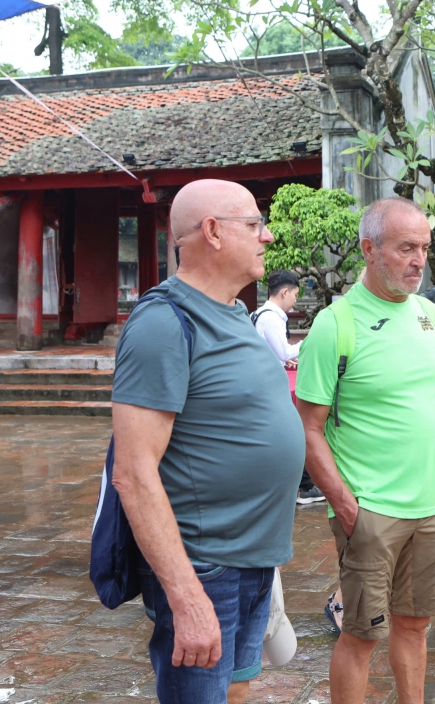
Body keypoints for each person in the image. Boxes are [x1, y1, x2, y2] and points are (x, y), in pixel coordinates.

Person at [111, 179, 305, 704]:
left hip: (253, 556)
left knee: (237, 685)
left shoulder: (234, 312)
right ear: (213, 232)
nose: (266, 237)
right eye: (254, 224)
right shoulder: (164, 322)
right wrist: (185, 594)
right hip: (205, 564)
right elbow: (133, 471)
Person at [295, 197, 435, 704]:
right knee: (362, 633)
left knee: (415, 626)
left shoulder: (431, 317)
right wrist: (348, 508)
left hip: (432, 507)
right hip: (371, 510)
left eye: (424, 249)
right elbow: (308, 429)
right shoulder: (336, 324)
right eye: (405, 248)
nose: (419, 262)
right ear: (370, 249)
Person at [252, 268, 326, 505]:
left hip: (264, 385)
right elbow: (283, 351)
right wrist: (310, 341)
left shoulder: (260, 314)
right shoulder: (270, 317)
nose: (295, 300)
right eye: (294, 295)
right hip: (269, 388)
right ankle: (303, 487)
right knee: (296, 431)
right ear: (284, 292)